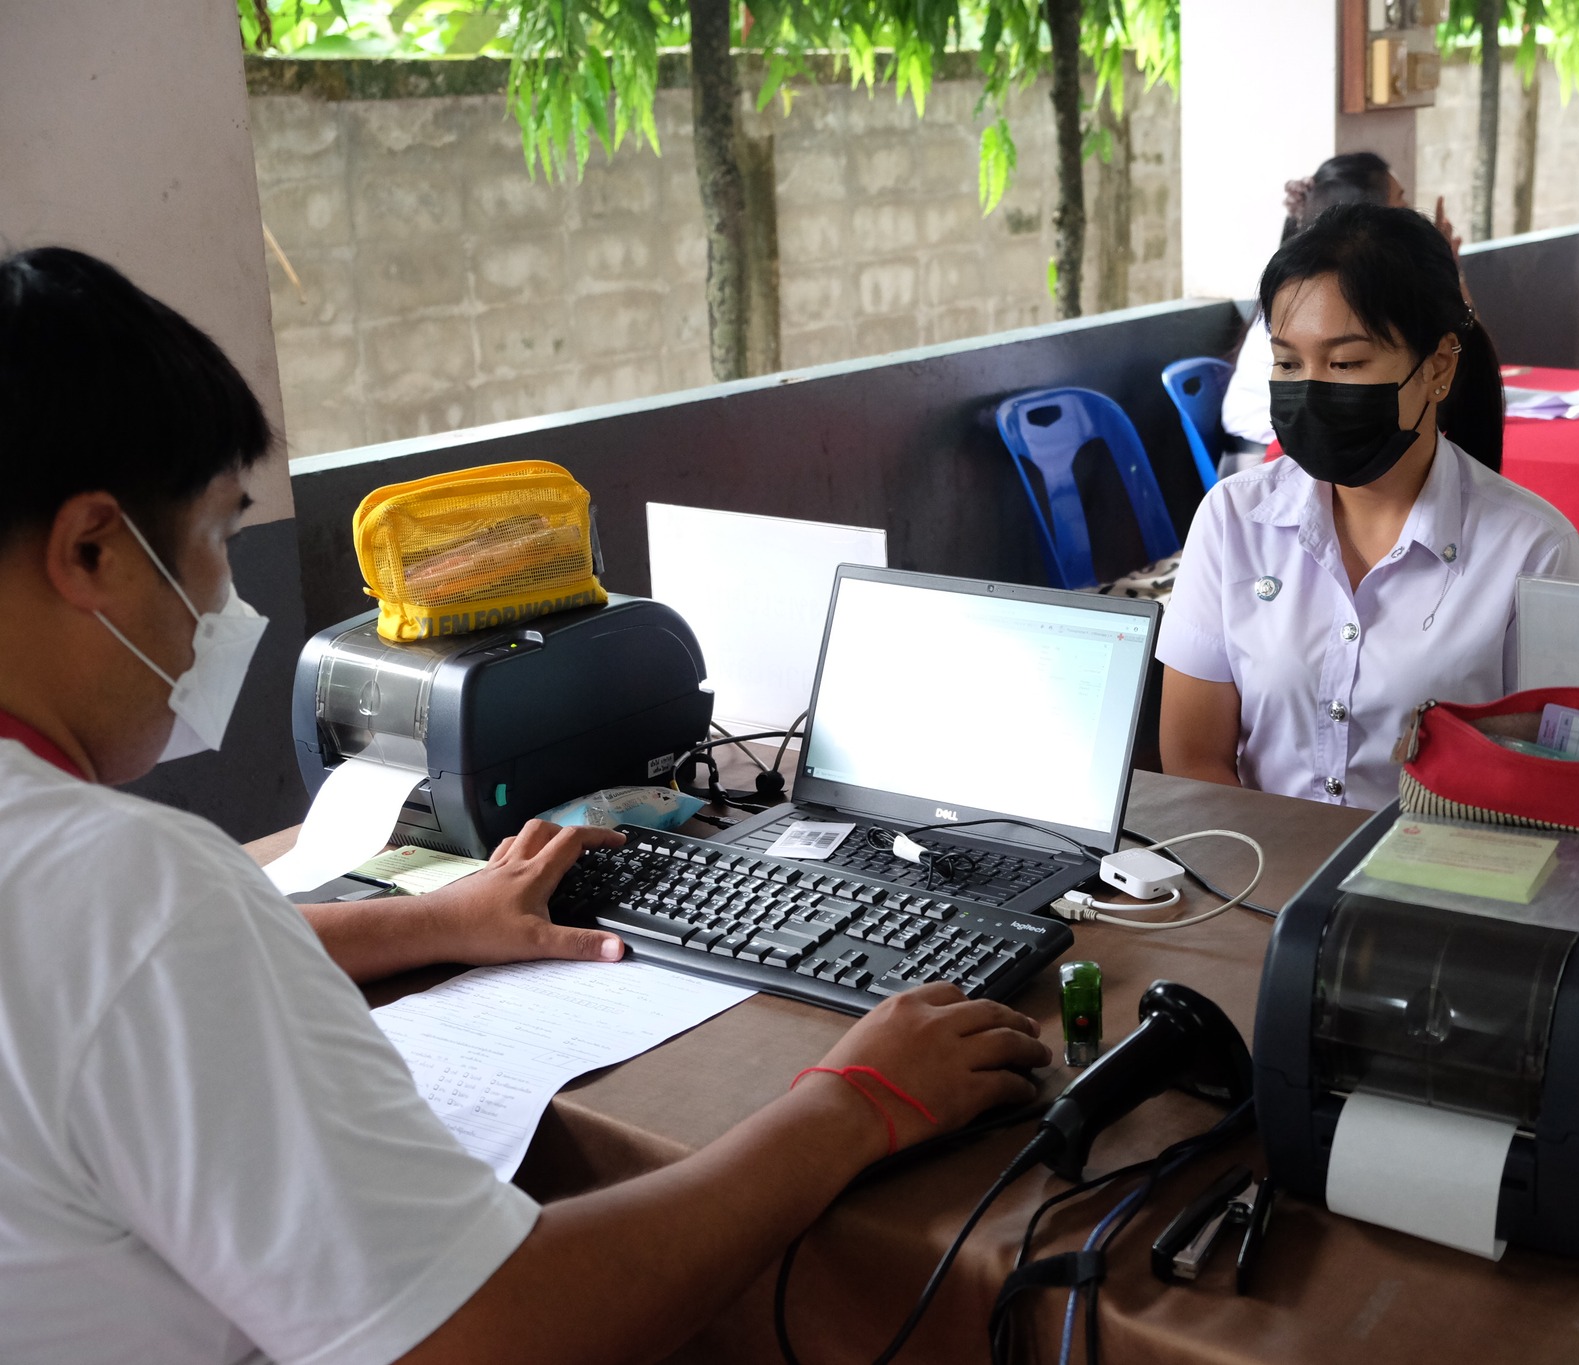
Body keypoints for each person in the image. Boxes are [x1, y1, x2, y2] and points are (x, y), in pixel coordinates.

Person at [0, 246, 1049, 1363]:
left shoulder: (96, 899)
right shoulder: (132, 888)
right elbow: (486, 1334)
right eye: (215, 537)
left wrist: (431, 918)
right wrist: (852, 1104)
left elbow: (95, 990)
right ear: (93, 549)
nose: (222, 597)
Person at [1158, 205, 1579, 810]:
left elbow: (1548, 785)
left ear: (1438, 366)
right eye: (1288, 362)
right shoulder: (1234, 518)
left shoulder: (1533, 550)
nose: (1309, 388)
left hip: (1439, 889)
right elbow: (1194, 758)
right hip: (1256, 878)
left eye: (1346, 363)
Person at [1221, 154, 1464, 452]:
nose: (1411, 216)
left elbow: (1465, 346)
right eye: (1286, 364)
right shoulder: (1319, 299)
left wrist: (1444, 274)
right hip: (1262, 451)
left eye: (1344, 364)